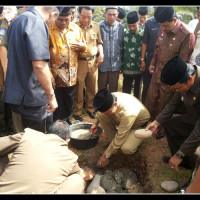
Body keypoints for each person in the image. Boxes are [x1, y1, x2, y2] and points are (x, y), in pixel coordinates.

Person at [2, 6, 58, 133]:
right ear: (52, 13)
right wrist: (51, 95)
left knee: (20, 137)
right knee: (35, 141)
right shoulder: (36, 22)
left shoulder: (17, 21)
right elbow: (39, 66)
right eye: (51, 22)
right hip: (32, 99)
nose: (49, 25)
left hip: (17, 94)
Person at [0, 120, 95, 194]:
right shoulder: (70, 157)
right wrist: (89, 175)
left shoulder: (28, 136)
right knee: (77, 180)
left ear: (46, 132)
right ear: (68, 140)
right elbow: (83, 175)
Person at [145, 6, 195, 139]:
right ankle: (146, 123)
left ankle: (161, 128)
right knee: (150, 100)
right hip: (157, 72)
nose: (164, 29)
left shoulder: (187, 35)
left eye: (166, 26)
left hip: (170, 77)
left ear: (174, 20)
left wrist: (175, 82)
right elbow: (157, 48)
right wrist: (152, 63)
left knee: (164, 104)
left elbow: (183, 63)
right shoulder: (163, 26)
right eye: (162, 26)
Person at [145, 55, 200, 171]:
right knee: (171, 125)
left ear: (190, 79)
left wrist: (181, 153)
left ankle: (194, 172)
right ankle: (186, 162)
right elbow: (173, 104)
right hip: (195, 116)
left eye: (178, 88)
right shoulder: (184, 77)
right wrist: (157, 122)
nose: (176, 90)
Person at [90, 88, 150, 168]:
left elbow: (120, 136)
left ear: (115, 104)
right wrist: (95, 124)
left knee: (126, 149)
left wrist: (105, 155)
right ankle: (112, 144)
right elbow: (100, 113)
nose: (107, 114)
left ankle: (122, 143)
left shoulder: (128, 112)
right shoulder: (110, 97)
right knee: (101, 115)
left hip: (138, 126)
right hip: (123, 121)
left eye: (108, 112)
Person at [49, 7, 87, 125]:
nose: (64, 23)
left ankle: (67, 122)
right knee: (58, 101)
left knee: (69, 100)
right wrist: (49, 74)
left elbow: (83, 49)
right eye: (60, 19)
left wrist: (83, 47)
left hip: (71, 74)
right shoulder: (49, 30)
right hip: (56, 76)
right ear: (55, 17)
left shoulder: (76, 29)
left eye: (67, 19)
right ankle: (56, 125)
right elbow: (43, 55)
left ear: (71, 17)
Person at [73, 7, 104, 122]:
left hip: (93, 61)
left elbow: (99, 42)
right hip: (79, 62)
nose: (86, 20)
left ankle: (91, 109)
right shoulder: (73, 26)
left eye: (89, 17)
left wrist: (101, 54)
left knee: (92, 87)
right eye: (83, 16)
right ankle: (77, 111)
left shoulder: (96, 26)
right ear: (78, 13)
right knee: (79, 88)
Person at [0, 6, 20, 136]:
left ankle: (10, 126)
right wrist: (7, 72)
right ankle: (2, 130)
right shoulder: (3, 23)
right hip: (3, 69)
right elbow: (2, 47)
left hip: (7, 67)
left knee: (7, 99)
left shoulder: (6, 22)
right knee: (2, 101)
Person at [98, 6, 124, 93]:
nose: (112, 17)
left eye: (114, 15)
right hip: (102, 65)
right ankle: (101, 106)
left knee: (114, 90)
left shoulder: (121, 28)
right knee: (101, 89)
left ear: (117, 14)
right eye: (109, 14)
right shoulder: (99, 26)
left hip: (115, 65)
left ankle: (113, 106)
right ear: (105, 14)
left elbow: (122, 47)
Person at [121, 11, 144, 100]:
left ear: (138, 23)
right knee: (126, 91)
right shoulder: (124, 33)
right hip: (127, 67)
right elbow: (122, 49)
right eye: (130, 26)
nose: (132, 28)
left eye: (134, 25)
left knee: (137, 91)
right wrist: (121, 64)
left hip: (139, 67)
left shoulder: (143, 34)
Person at [140, 6, 160, 105]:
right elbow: (145, 42)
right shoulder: (149, 22)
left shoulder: (172, 19)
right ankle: (144, 108)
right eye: (155, 7)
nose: (156, 9)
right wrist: (142, 59)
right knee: (146, 86)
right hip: (150, 59)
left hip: (164, 61)